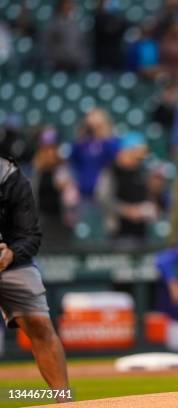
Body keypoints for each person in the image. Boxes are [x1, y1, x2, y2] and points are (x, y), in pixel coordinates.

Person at [0, 155, 71, 402]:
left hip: (8, 260)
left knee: (40, 324)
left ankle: (64, 400)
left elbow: (30, 235)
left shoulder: (9, 176)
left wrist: (11, 254)